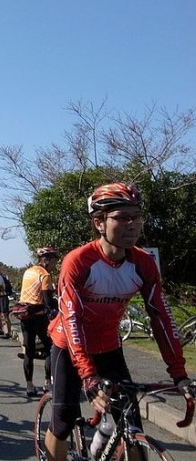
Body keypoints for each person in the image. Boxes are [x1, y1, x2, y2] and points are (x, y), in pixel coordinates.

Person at [44, 183, 192, 461]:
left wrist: (179, 374)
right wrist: (88, 377)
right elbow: (72, 319)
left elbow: (162, 318)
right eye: (122, 217)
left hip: (109, 346)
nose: (132, 225)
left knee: (130, 422)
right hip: (69, 345)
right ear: (99, 222)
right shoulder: (78, 262)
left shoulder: (143, 262)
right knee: (63, 419)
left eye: (136, 217)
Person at [18, 247, 58, 397]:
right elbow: (47, 301)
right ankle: (47, 383)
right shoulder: (45, 274)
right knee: (50, 348)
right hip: (39, 316)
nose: (55, 264)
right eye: (54, 260)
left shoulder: (28, 271)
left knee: (29, 350)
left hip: (24, 315)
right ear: (46, 260)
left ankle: (29, 385)